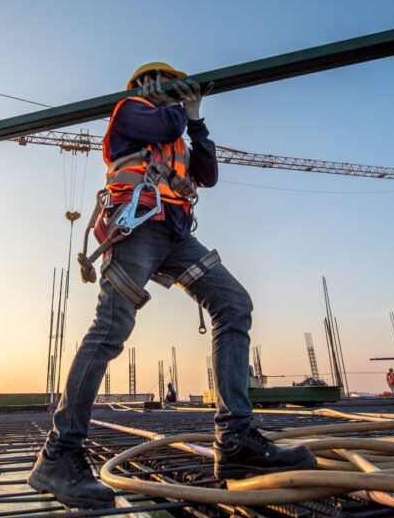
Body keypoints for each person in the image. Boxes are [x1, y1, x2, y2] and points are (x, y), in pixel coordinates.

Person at [28, 62, 316, 508]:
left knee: (232, 303)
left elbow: (208, 174)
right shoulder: (131, 111)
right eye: (160, 81)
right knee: (110, 331)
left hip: (176, 234)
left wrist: (198, 120)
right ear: (145, 84)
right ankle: (59, 455)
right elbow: (167, 119)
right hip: (137, 227)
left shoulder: (178, 130)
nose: (168, 90)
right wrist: (181, 106)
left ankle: (236, 440)